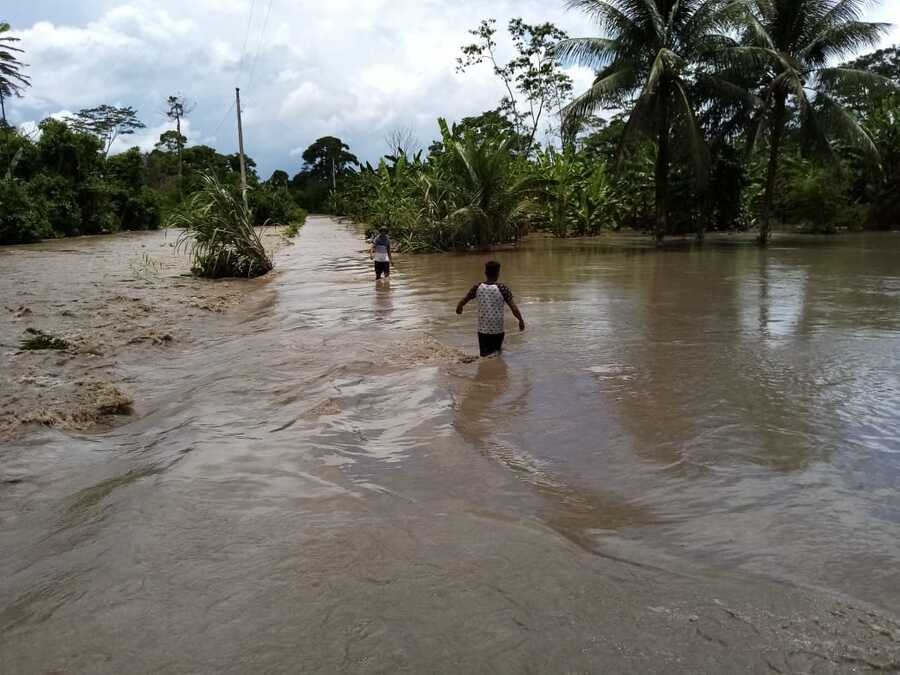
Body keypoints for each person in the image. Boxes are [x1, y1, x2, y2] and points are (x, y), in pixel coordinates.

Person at [456, 260, 525, 357]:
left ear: (485, 273)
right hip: (497, 328)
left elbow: (465, 300)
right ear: (498, 273)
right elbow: (513, 308)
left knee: (484, 354)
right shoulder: (503, 288)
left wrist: (459, 307)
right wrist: (520, 320)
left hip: (483, 328)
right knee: (496, 353)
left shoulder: (477, 287)